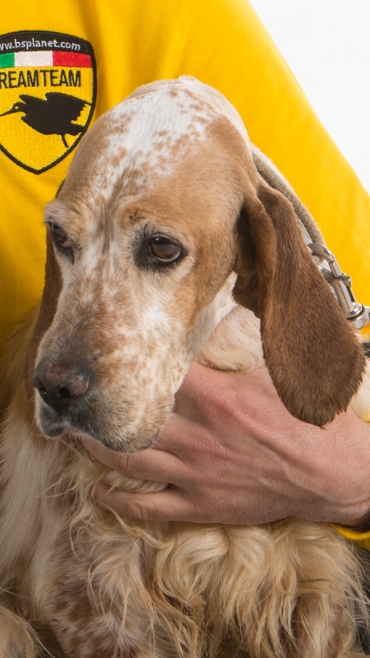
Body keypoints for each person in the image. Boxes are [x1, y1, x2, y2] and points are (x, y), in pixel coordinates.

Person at [1, 0, 370, 548]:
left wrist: (355, 482)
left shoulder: (159, 12)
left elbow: (342, 335)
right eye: (64, 239)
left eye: (161, 248)